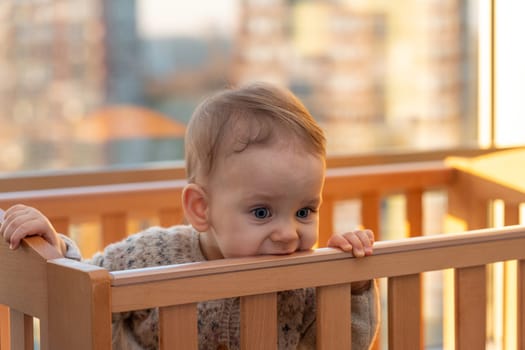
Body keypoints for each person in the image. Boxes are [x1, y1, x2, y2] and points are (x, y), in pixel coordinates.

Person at [1, 82, 379, 350]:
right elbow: (86, 290)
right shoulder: (151, 255)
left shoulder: (305, 279)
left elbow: (341, 343)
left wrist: (352, 283)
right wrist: (56, 256)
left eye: (304, 211)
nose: (287, 233)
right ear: (201, 208)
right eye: (262, 212)